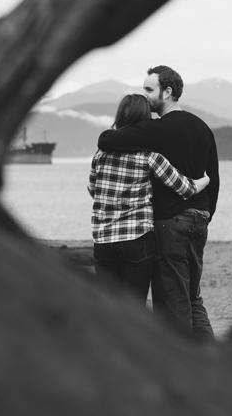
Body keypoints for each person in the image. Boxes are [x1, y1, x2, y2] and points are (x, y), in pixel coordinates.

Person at [98, 66, 219, 343]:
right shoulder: (203, 127)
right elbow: (213, 178)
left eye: (149, 90)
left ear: (168, 92)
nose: (145, 95)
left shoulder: (158, 128)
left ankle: (185, 368)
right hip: (199, 221)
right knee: (192, 298)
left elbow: (106, 140)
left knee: (172, 303)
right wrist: (205, 215)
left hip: (170, 223)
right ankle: (209, 359)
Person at [88, 93, 209, 307]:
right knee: (134, 309)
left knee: (108, 308)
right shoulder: (149, 156)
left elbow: (93, 189)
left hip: (104, 240)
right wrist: (205, 181)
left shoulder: (100, 154)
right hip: (137, 238)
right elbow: (185, 188)